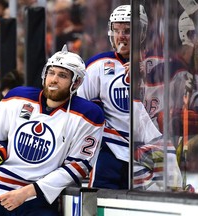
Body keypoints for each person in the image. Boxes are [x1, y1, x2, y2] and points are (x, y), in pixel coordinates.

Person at [0, 45, 105, 215]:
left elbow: (78, 166)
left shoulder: (88, 115)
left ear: (77, 82)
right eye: (51, 73)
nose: (54, 80)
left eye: (63, 75)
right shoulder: (17, 97)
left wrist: (25, 193)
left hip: (36, 201)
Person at [77, 5, 164, 190]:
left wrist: (143, 81)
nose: (121, 36)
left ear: (141, 32)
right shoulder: (98, 65)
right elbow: (79, 108)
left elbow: (162, 110)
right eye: (116, 30)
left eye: (127, 30)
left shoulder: (158, 66)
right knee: (99, 197)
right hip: (110, 149)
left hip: (148, 151)